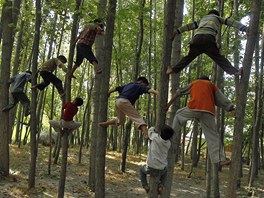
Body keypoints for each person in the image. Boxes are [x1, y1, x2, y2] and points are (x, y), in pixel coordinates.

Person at [167, 76, 235, 166]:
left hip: (193, 109)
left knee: (179, 115)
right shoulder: (211, 85)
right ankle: (221, 159)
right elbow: (221, 98)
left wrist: (168, 105)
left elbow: (178, 92)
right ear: (208, 80)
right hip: (208, 112)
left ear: (199, 79)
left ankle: (169, 137)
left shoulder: (194, 83)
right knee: (213, 135)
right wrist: (231, 108)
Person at [166, 9, 248, 76]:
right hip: (209, 39)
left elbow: (189, 26)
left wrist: (177, 31)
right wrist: (244, 28)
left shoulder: (203, 19)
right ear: (216, 14)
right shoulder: (217, 18)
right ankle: (235, 72)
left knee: (188, 58)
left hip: (197, 39)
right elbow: (231, 22)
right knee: (219, 59)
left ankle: (172, 70)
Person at [139, 125, 174, 194]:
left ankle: (145, 185)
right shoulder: (168, 144)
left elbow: (150, 131)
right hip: (161, 168)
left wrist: (153, 127)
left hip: (150, 167)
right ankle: (161, 185)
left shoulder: (155, 137)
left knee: (141, 170)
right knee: (165, 171)